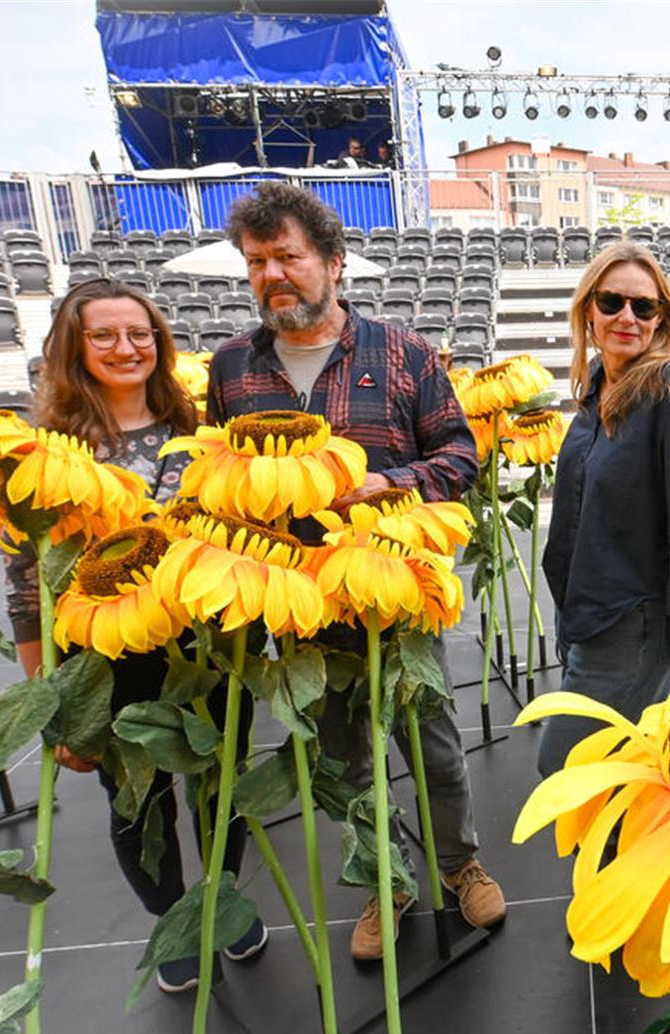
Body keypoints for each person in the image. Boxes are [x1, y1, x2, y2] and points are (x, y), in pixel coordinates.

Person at [210, 182, 505, 959]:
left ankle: (458, 863)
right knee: (341, 758)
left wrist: (393, 482)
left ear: (334, 265)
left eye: (289, 258)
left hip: (395, 588)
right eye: (258, 261)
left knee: (432, 741)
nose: (273, 274)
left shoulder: (403, 354)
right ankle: (386, 881)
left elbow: (461, 454)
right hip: (299, 605)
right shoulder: (233, 368)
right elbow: (218, 479)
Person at [6, 278, 268, 994]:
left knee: (223, 781)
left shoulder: (201, 427)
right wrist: (48, 695)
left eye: (141, 333)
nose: (127, 348)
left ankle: (223, 899)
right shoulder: (52, 454)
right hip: (109, 653)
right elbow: (26, 580)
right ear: (74, 349)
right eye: (105, 336)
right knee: (135, 797)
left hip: (213, 645)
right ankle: (171, 914)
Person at [536, 242, 670, 777]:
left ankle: (611, 858)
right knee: (618, 776)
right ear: (588, 311)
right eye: (612, 302)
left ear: (661, 319)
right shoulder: (595, 394)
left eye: (643, 307)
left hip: (634, 620)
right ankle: (620, 860)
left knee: (565, 769)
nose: (627, 317)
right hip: (586, 613)